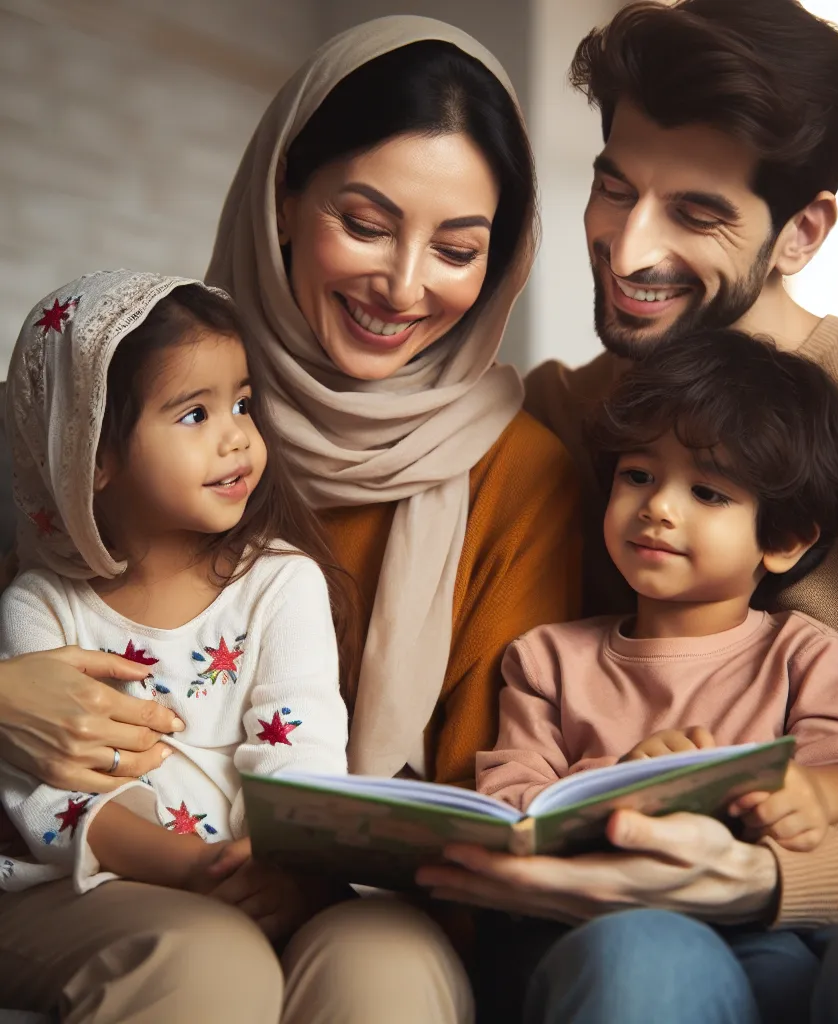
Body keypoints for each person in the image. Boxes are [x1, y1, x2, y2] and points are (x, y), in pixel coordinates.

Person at [416, 2, 838, 1022]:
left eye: (696, 215)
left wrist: (776, 878)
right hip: (615, 908)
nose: (625, 245)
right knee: (640, 966)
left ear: (801, 233)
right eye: (614, 187)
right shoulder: (557, 418)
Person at [0, 18, 579, 1024]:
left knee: (385, 976)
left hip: (376, 894)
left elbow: (490, 788)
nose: (403, 287)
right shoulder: (103, 398)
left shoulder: (523, 474)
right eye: (364, 223)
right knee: (200, 968)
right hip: (111, 884)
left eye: (456, 248)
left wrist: (310, 866)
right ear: (282, 198)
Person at [0, 270, 360, 1008]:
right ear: (91, 454)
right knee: (211, 959)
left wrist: (283, 866)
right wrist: (198, 873)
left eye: (243, 404)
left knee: (380, 954)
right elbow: (56, 802)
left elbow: (301, 748)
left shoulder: (282, 583)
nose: (237, 437)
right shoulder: (41, 607)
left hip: (265, 874)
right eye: (194, 414)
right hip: (111, 889)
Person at [478, 331, 838, 860]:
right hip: (592, 916)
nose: (658, 507)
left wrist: (812, 793)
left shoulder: (800, 655)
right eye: (638, 475)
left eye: (707, 492)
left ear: (784, 540)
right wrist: (615, 790)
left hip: (756, 921)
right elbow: (508, 804)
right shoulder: (545, 663)